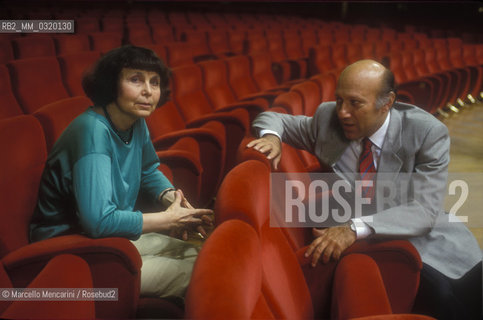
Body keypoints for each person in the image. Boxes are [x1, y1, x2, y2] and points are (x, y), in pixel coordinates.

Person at [249, 59, 482, 319]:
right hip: (371, 240)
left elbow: (424, 211)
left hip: (423, 234)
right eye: (339, 100)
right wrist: (271, 137)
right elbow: (273, 117)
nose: (343, 112)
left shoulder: (426, 132)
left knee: (459, 295)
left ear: (387, 103)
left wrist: (353, 228)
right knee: (437, 294)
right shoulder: (327, 120)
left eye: (355, 103)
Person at [30, 45, 213, 299]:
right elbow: (98, 222)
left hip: (108, 240)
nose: (148, 91)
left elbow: (147, 170)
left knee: (203, 253)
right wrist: (168, 220)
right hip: (70, 254)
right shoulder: (91, 132)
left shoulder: (135, 121)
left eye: (155, 82)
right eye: (135, 79)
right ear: (111, 84)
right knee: (204, 273)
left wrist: (171, 199)